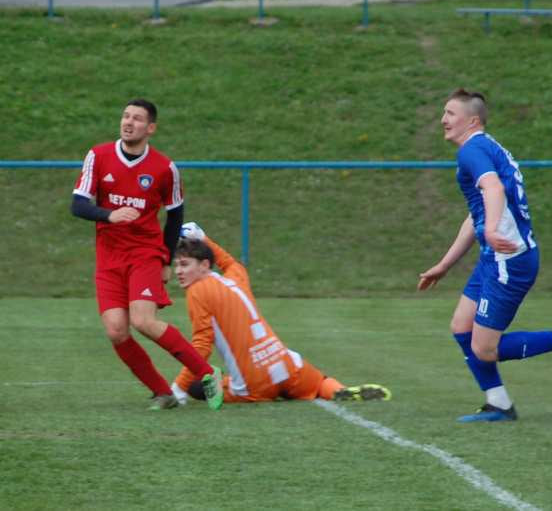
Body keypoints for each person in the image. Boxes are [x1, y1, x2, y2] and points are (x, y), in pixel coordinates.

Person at [417, 89, 552, 423]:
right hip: (495, 257)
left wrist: (491, 230)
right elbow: (478, 214)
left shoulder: (473, 149)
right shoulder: (488, 147)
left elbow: (494, 191)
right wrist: (445, 264)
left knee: (484, 348)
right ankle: (498, 403)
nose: (443, 120)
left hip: (509, 261)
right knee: (461, 325)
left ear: (472, 121)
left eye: (450, 113)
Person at [71, 99, 223, 411]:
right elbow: (78, 205)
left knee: (143, 321)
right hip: (109, 257)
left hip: (145, 253)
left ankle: (208, 375)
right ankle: (162, 393)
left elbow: (176, 216)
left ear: (150, 128)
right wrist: (108, 215)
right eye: (125, 116)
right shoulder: (98, 156)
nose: (128, 122)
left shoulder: (164, 168)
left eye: (137, 119)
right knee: (116, 330)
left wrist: (167, 260)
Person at [170, 222, 391, 405]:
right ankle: (339, 390)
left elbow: (201, 345)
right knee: (320, 383)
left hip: (255, 382)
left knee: (196, 386)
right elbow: (230, 262)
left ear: (205, 265)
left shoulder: (198, 290)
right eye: (176, 265)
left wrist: (178, 388)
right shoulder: (236, 278)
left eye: (185, 264)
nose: (178, 271)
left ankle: (216, 383)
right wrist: (204, 238)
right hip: (288, 364)